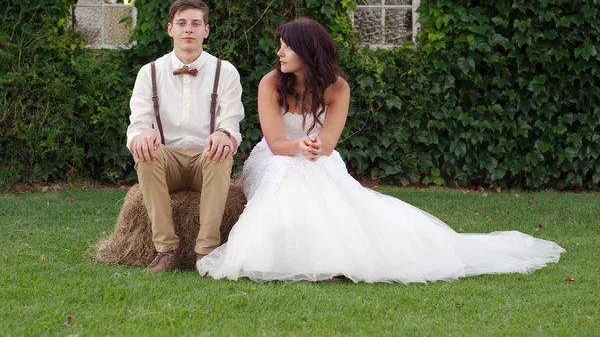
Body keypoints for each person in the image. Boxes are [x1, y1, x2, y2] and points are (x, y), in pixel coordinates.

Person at [197, 17, 564, 283]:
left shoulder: (337, 88)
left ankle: (333, 257)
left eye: (286, 46)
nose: (279, 52)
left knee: (318, 177)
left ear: (307, 51)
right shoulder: (270, 83)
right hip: (275, 156)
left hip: (318, 156)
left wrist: (313, 148)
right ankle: (296, 257)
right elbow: (276, 143)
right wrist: (300, 145)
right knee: (289, 175)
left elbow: (328, 143)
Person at [127, 0, 244, 273]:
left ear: (206, 30)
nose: (188, 30)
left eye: (195, 24)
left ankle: (206, 252)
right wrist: (142, 135)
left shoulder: (225, 72)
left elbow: (232, 123)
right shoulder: (150, 73)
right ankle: (166, 251)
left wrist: (224, 135)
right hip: (168, 162)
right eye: (181, 23)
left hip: (206, 160)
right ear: (170, 29)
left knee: (220, 150)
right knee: (146, 152)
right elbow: (137, 124)